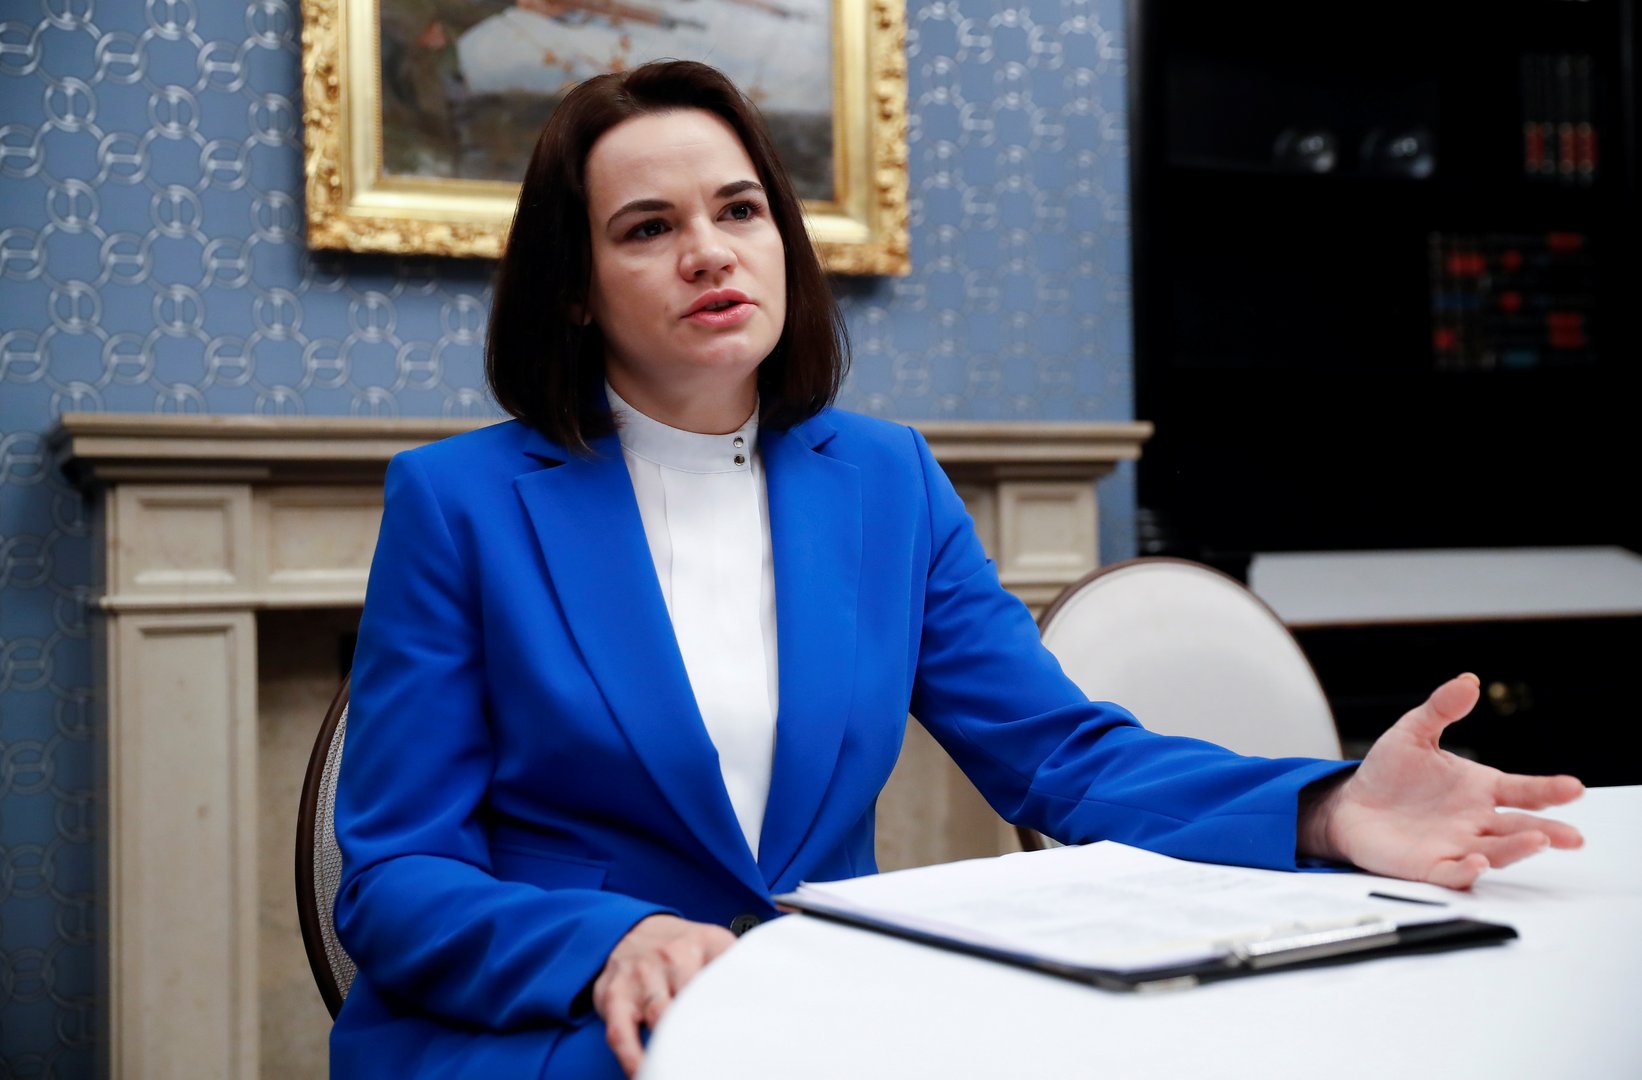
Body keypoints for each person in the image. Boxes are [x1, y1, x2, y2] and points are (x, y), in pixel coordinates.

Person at [329, 60, 1585, 1080]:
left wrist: (1325, 809)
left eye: (739, 210)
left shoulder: (885, 480)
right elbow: (393, 877)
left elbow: (1061, 757)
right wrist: (613, 942)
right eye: (648, 228)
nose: (709, 252)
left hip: (825, 1016)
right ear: (574, 291)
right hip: (562, 1029)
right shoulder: (460, 503)